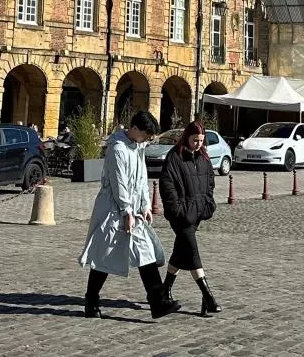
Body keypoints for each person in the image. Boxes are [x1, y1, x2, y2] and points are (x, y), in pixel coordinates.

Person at [78, 111, 181, 320]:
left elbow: (142, 176)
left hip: (134, 208)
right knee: (105, 254)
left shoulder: (137, 147)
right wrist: (127, 211)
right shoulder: (118, 149)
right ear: (134, 129)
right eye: (145, 135)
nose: (146, 140)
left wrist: (144, 205)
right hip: (114, 208)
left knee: (145, 253)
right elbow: (119, 183)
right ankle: (91, 301)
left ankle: (157, 302)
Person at [158, 121, 221, 316]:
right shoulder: (174, 156)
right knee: (193, 252)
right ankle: (207, 296)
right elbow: (167, 184)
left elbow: (210, 182)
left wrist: (207, 203)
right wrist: (177, 208)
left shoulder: (203, 156)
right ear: (187, 137)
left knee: (180, 251)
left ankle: (164, 289)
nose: (198, 144)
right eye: (195, 140)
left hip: (198, 213)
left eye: (201, 141)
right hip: (181, 215)